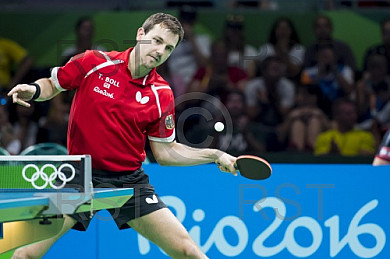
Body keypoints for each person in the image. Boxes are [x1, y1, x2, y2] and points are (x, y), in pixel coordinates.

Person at [9, 13, 237, 259]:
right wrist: (32, 90)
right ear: (141, 34)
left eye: (169, 48)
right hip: (78, 177)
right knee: (24, 254)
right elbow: (54, 84)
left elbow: (166, 151)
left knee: (189, 252)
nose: (161, 51)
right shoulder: (93, 62)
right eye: (157, 41)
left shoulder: (161, 94)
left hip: (129, 182)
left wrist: (215, 154)